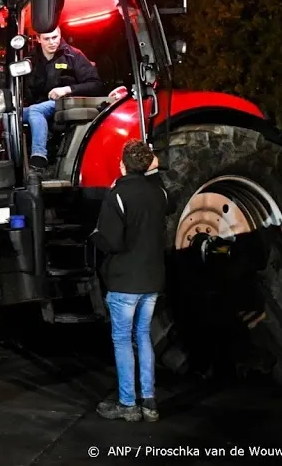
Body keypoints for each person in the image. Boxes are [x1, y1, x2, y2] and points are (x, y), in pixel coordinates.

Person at [92, 139, 167, 422]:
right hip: (152, 279)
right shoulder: (160, 193)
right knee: (143, 336)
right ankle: (149, 402)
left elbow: (111, 240)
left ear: (122, 165)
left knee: (122, 340)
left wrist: (94, 238)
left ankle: (127, 404)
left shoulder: (118, 195)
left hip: (125, 280)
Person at [23, 25, 103, 169]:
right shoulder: (31, 60)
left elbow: (96, 84)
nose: (52, 42)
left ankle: (39, 156)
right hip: (39, 104)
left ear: (60, 36)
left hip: (64, 102)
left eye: (55, 37)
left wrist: (67, 89)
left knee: (36, 110)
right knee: (11, 115)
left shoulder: (73, 56)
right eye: (47, 39)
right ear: (38, 39)